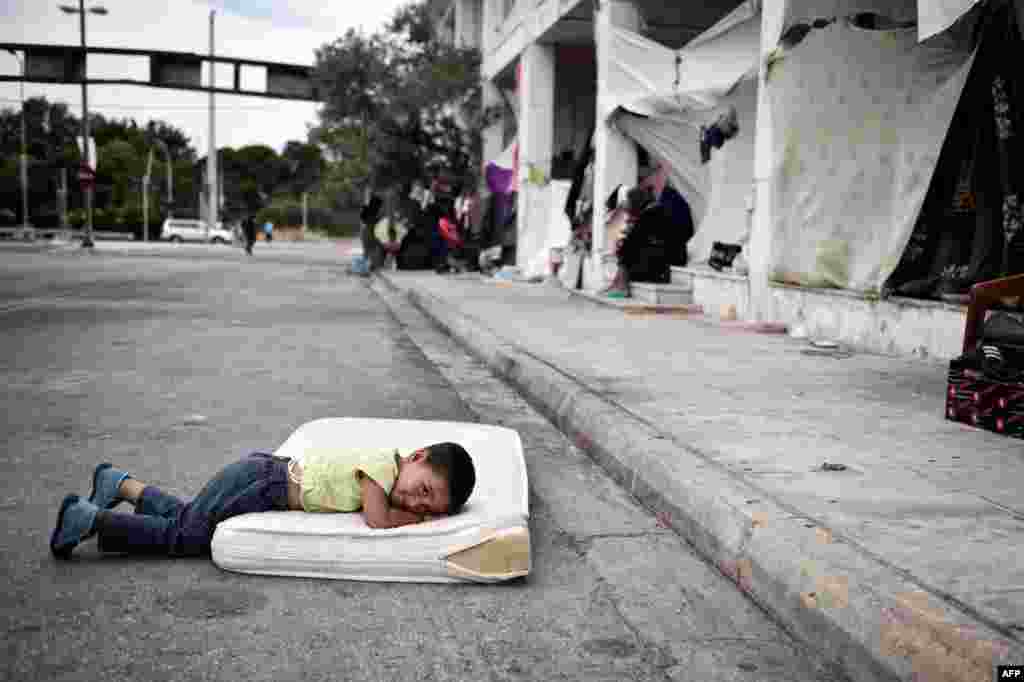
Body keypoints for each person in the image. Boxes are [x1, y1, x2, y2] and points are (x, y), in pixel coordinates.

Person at [50, 442, 477, 559]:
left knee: (187, 518)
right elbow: (377, 521)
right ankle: (89, 520)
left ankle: (119, 484)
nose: (415, 502)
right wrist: (413, 522)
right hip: (263, 481)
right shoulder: (384, 467)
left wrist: (414, 513)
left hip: (260, 478)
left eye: (426, 507)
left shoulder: (390, 470)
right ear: (416, 457)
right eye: (423, 490)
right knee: (191, 538)